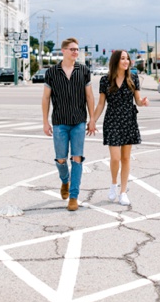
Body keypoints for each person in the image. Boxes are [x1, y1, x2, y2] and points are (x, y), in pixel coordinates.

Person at [40, 38, 96, 212]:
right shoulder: (51, 72)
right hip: (59, 122)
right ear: (63, 51)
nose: (75, 52)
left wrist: (92, 119)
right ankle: (65, 180)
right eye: (72, 49)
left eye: (77, 49)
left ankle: (74, 197)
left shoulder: (84, 71)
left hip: (79, 121)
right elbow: (46, 98)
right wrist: (45, 121)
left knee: (77, 158)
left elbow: (89, 96)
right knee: (61, 159)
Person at [90, 49, 149, 206]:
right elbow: (101, 104)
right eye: (123, 58)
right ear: (116, 61)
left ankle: (123, 192)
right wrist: (93, 121)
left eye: (127, 59)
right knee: (115, 158)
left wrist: (143, 102)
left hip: (128, 120)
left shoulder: (133, 78)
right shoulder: (105, 80)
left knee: (125, 158)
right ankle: (113, 184)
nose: (126, 61)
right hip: (112, 120)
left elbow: (137, 100)